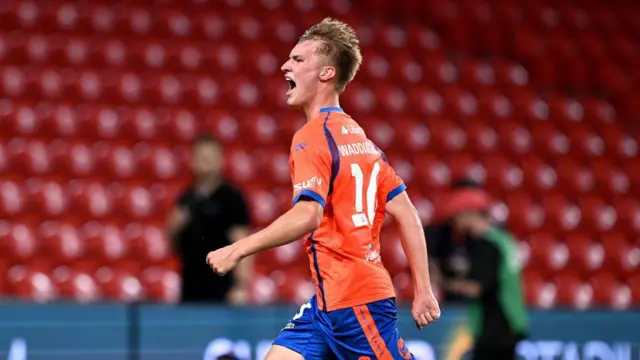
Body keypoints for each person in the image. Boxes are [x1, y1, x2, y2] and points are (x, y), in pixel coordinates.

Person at [206, 17, 440, 360]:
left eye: (299, 60)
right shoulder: (362, 140)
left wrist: (238, 249)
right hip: (327, 302)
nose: (286, 65)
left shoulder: (312, 137)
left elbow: (308, 214)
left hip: (357, 302)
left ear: (326, 74)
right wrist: (422, 290)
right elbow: (406, 212)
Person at [166, 134, 252, 304]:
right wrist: (172, 228)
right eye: (201, 156)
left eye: (210, 156)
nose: (205, 161)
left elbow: (244, 242)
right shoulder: (186, 198)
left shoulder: (231, 198)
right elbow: (174, 246)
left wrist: (241, 286)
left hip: (223, 289)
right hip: (190, 290)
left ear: (221, 160)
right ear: (192, 160)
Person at [446, 206, 529, 360]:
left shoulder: (487, 245)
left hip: (493, 327)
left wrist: (448, 284)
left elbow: (477, 288)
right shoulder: (505, 240)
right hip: (511, 319)